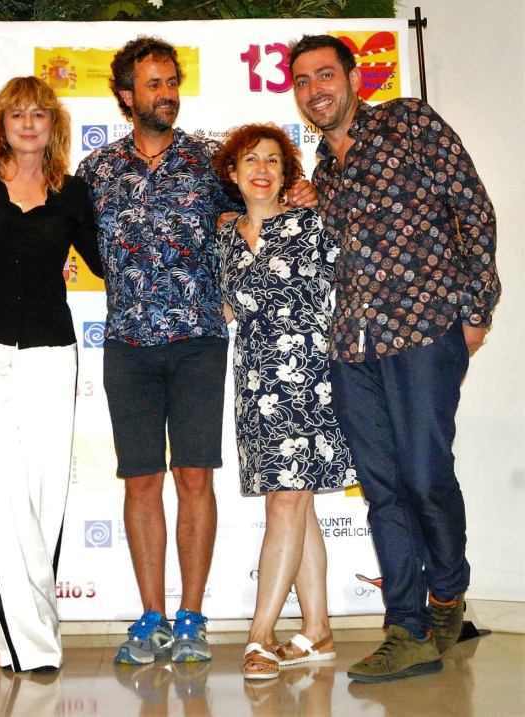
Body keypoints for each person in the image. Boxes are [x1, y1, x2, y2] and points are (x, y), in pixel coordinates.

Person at [75, 36, 318, 666]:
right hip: (127, 344)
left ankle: (191, 618)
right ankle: (151, 617)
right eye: (153, 84)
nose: (166, 94)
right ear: (125, 94)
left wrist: (305, 193)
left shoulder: (211, 161)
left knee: (194, 478)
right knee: (140, 481)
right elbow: (80, 243)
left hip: (199, 343)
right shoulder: (96, 170)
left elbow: (265, 202)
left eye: (171, 83)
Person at [289, 35, 500, 683]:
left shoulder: (409, 122)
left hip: (424, 331)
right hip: (352, 347)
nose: (315, 89)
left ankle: (447, 594)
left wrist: (476, 307)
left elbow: (472, 208)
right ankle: (407, 627)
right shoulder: (322, 174)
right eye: (303, 81)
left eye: (326, 74)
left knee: (425, 475)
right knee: (382, 489)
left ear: (355, 79)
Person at [0, 76, 103, 674]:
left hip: (50, 349)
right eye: (17, 114)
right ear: (1, 122)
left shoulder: (72, 192)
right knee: (2, 487)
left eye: (40, 113)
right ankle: (31, 642)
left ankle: (27, 627)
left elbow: (107, 263)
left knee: (43, 492)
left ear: (53, 124)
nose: (29, 123)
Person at [212, 124, 356, 680]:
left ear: (286, 173)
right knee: (298, 506)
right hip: (255, 385)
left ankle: (260, 636)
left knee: (287, 502)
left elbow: (353, 279)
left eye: (273, 160)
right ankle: (318, 630)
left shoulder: (311, 223)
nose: (262, 169)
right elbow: (227, 308)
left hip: (308, 381)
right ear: (233, 172)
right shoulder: (225, 237)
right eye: (251, 160)